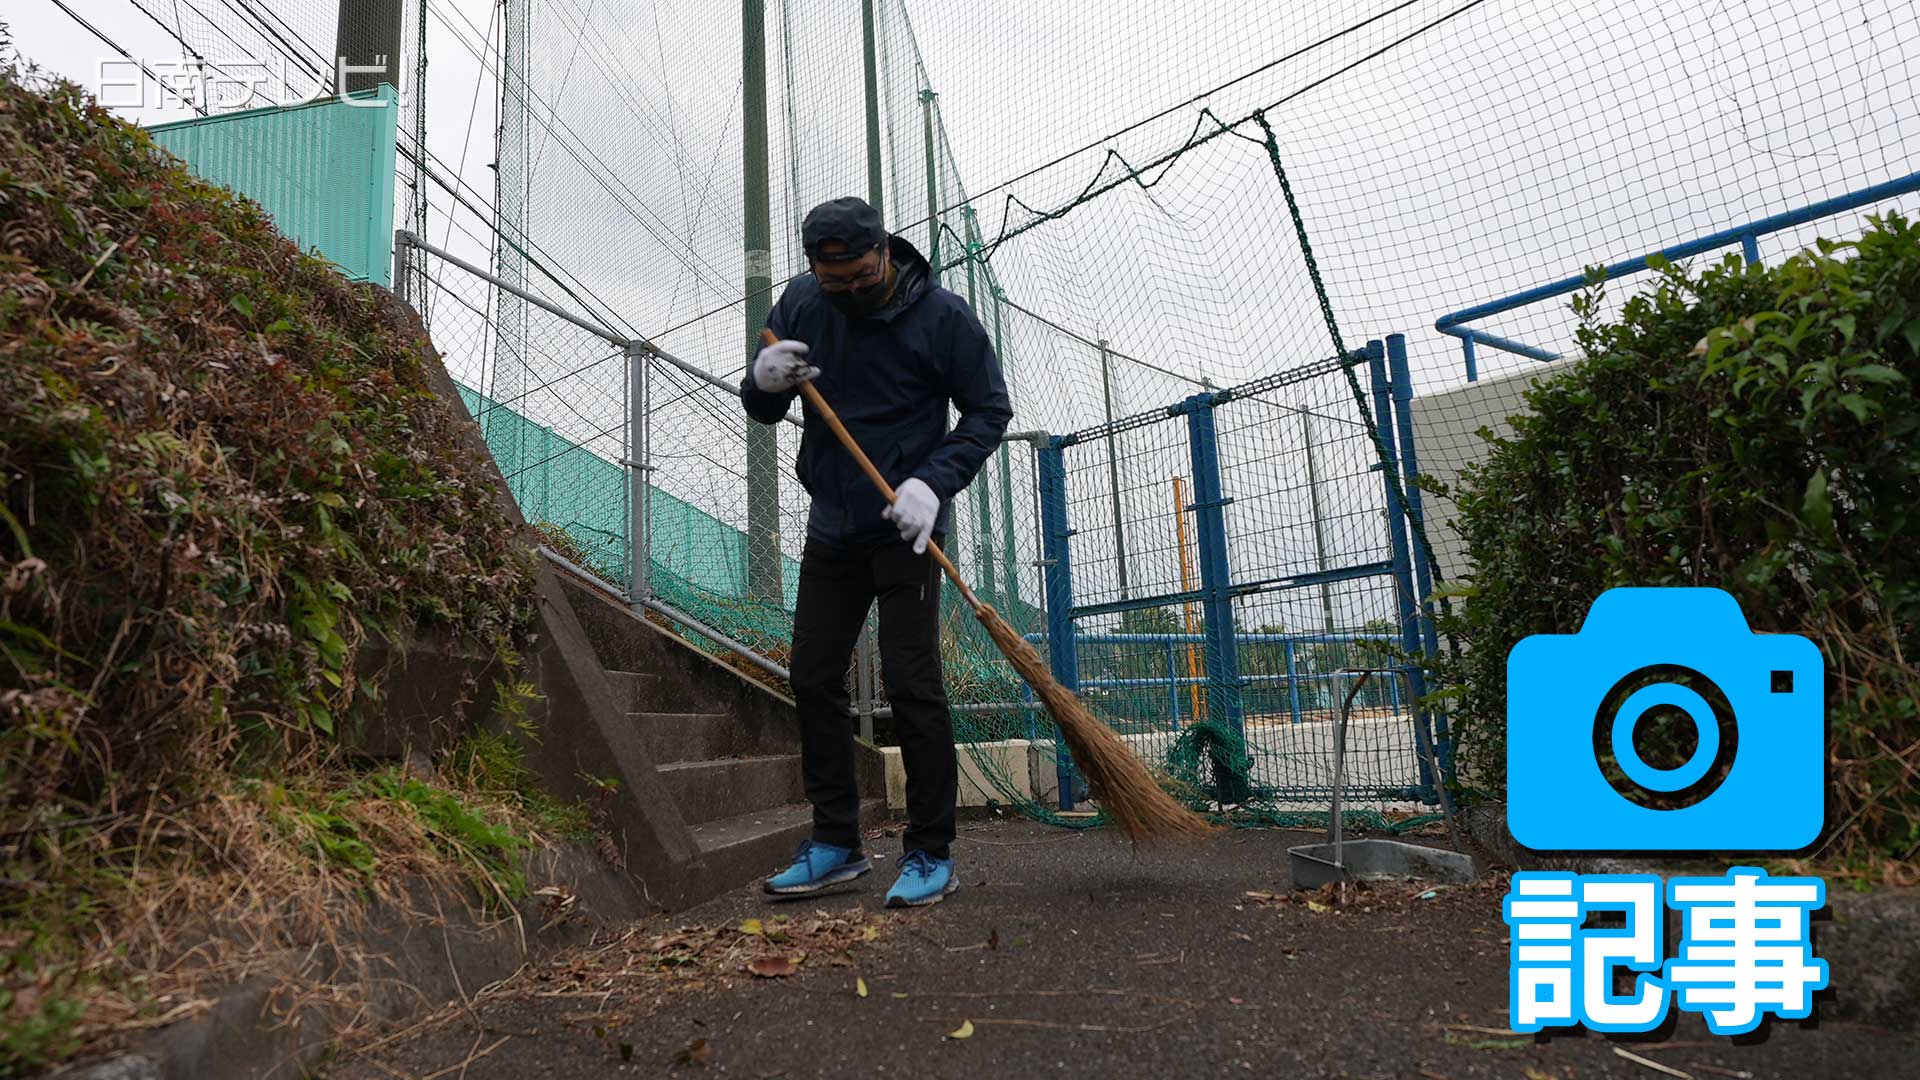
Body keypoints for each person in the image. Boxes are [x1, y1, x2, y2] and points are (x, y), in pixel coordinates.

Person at [741, 196, 1011, 908]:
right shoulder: (802, 304)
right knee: (814, 674)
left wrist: (933, 480)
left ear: (885, 253)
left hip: (907, 527)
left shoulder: (942, 318)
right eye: (835, 282)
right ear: (813, 271)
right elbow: (766, 405)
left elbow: (989, 410)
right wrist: (762, 382)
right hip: (834, 522)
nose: (852, 292)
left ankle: (930, 851)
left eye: (862, 276)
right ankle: (835, 844)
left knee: (912, 680)